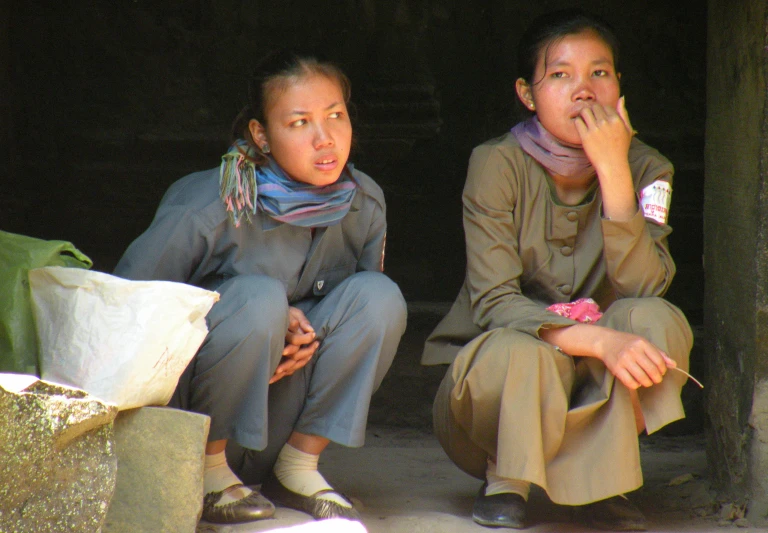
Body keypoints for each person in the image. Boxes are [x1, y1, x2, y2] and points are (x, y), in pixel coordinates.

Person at [421, 9, 693, 531]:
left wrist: (614, 168)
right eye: (561, 74)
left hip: (595, 390)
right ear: (527, 93)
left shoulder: (649, 167)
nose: (584, 90)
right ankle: (509, 479)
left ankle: (602, 477)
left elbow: (646, 286)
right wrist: (598, 341)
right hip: (487, 407)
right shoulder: (496, 163)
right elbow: (495, 302)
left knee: (656, 320)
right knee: (527, 351)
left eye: (600, 72)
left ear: (619, 86)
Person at [114, 50, 407, 525]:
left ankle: (298, 466)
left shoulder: (363, 202)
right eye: (299, 123)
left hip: (279, 413)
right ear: (260, 135)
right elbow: (122, 308)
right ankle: (209, 474)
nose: (325, 138)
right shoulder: (209, 204)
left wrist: (301, 327)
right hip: (195, 415)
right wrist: (249, 314)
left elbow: (354, 322)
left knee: (378, 297)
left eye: (336, 115)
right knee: (258, 299)